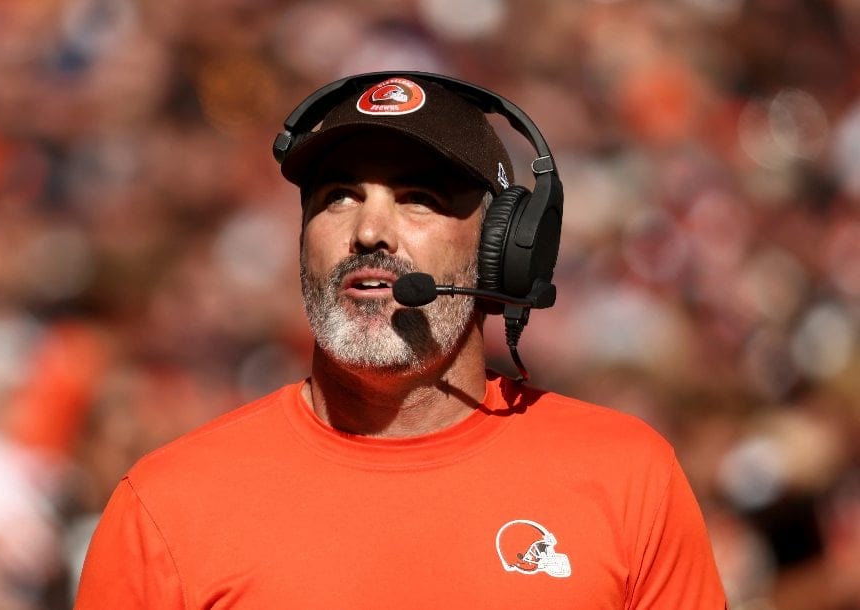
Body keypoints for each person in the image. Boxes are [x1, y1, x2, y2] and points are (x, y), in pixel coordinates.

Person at [74, 72, 727, 609]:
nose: (370, 232)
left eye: (418, 198)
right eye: (338, 198)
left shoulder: (630, 477)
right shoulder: (165, 505)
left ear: (506, 251)